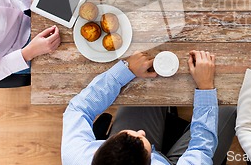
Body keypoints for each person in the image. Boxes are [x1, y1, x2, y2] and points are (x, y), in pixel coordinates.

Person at [61, 50, 236, 165]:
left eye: (130, 133)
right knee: (229, 109)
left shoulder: (76, 156)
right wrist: (205, 87)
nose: (141, 131)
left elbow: (78, 109)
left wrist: (125, 71)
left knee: (144, 83)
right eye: (142, 139)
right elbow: (201, 149)